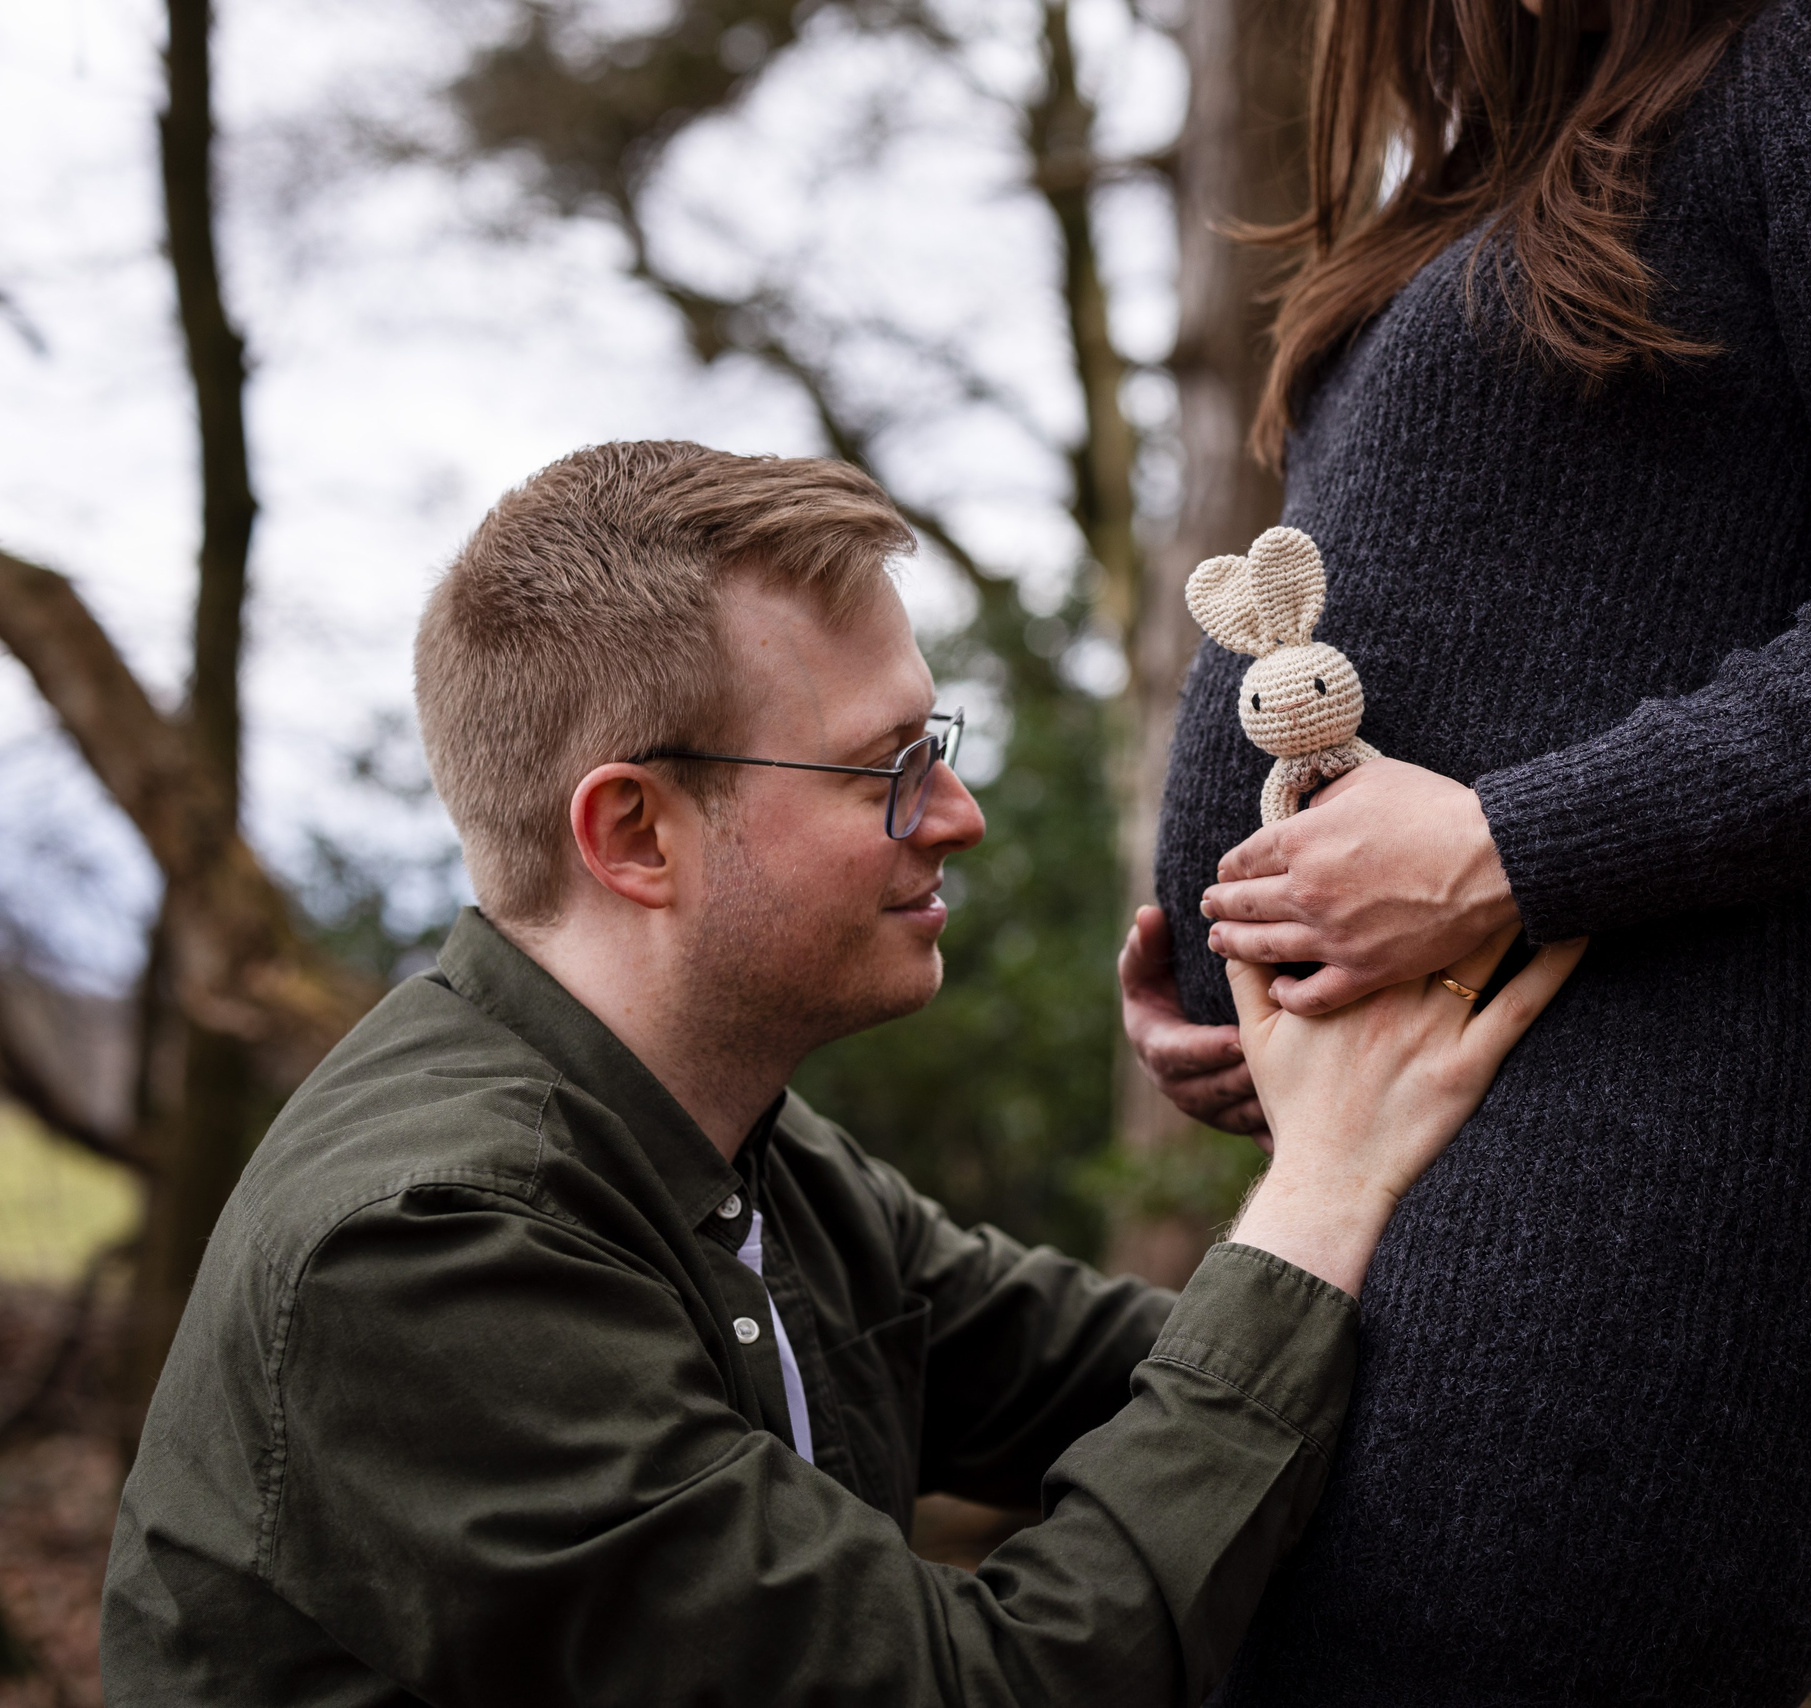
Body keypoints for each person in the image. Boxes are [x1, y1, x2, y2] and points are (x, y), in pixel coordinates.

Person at [99, 441, 1582, 1706]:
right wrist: (1319, 1189)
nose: (961, 815)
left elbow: (1125, 1374)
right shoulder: (425, 1257)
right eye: (888, 765)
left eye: (935, 743)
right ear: (633, 837)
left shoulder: (723, 1146)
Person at [1123, 0, 1811, 1700]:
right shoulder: (1475, 176)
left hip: (1671, 1160)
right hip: (1398, 1156)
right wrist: (1265, 977)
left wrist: (1507, 849)